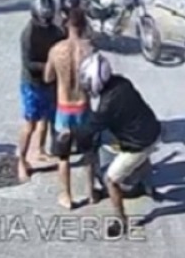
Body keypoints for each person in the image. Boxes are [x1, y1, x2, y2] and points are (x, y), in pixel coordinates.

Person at [79, 51, 161, 236]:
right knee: (144, 157)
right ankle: (148, 185)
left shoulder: (107, 105)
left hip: (138, 143)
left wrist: (75, 135)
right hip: (153, 130)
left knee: (111, 180)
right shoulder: (122, 82)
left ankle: (120, 221)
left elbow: (92, 126)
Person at [44, 7, 96, 209]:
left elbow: (48, 77)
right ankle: (91, 192)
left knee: (63, 156)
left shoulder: (56, 50)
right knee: (89, 152)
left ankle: (66, 196)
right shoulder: (90, 50)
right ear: (84, 25)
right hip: (84, 107)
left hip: (64, 110)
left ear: (66, 24)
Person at [17, 0, 64, 182]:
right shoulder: (28, 35)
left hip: (50, 82)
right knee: (30, 124)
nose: (46, 21)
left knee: (46, 120)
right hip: (32, 84)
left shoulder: (55, 31)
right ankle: (21, 160)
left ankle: (40, 150)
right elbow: (28, 63)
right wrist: (50, 66)